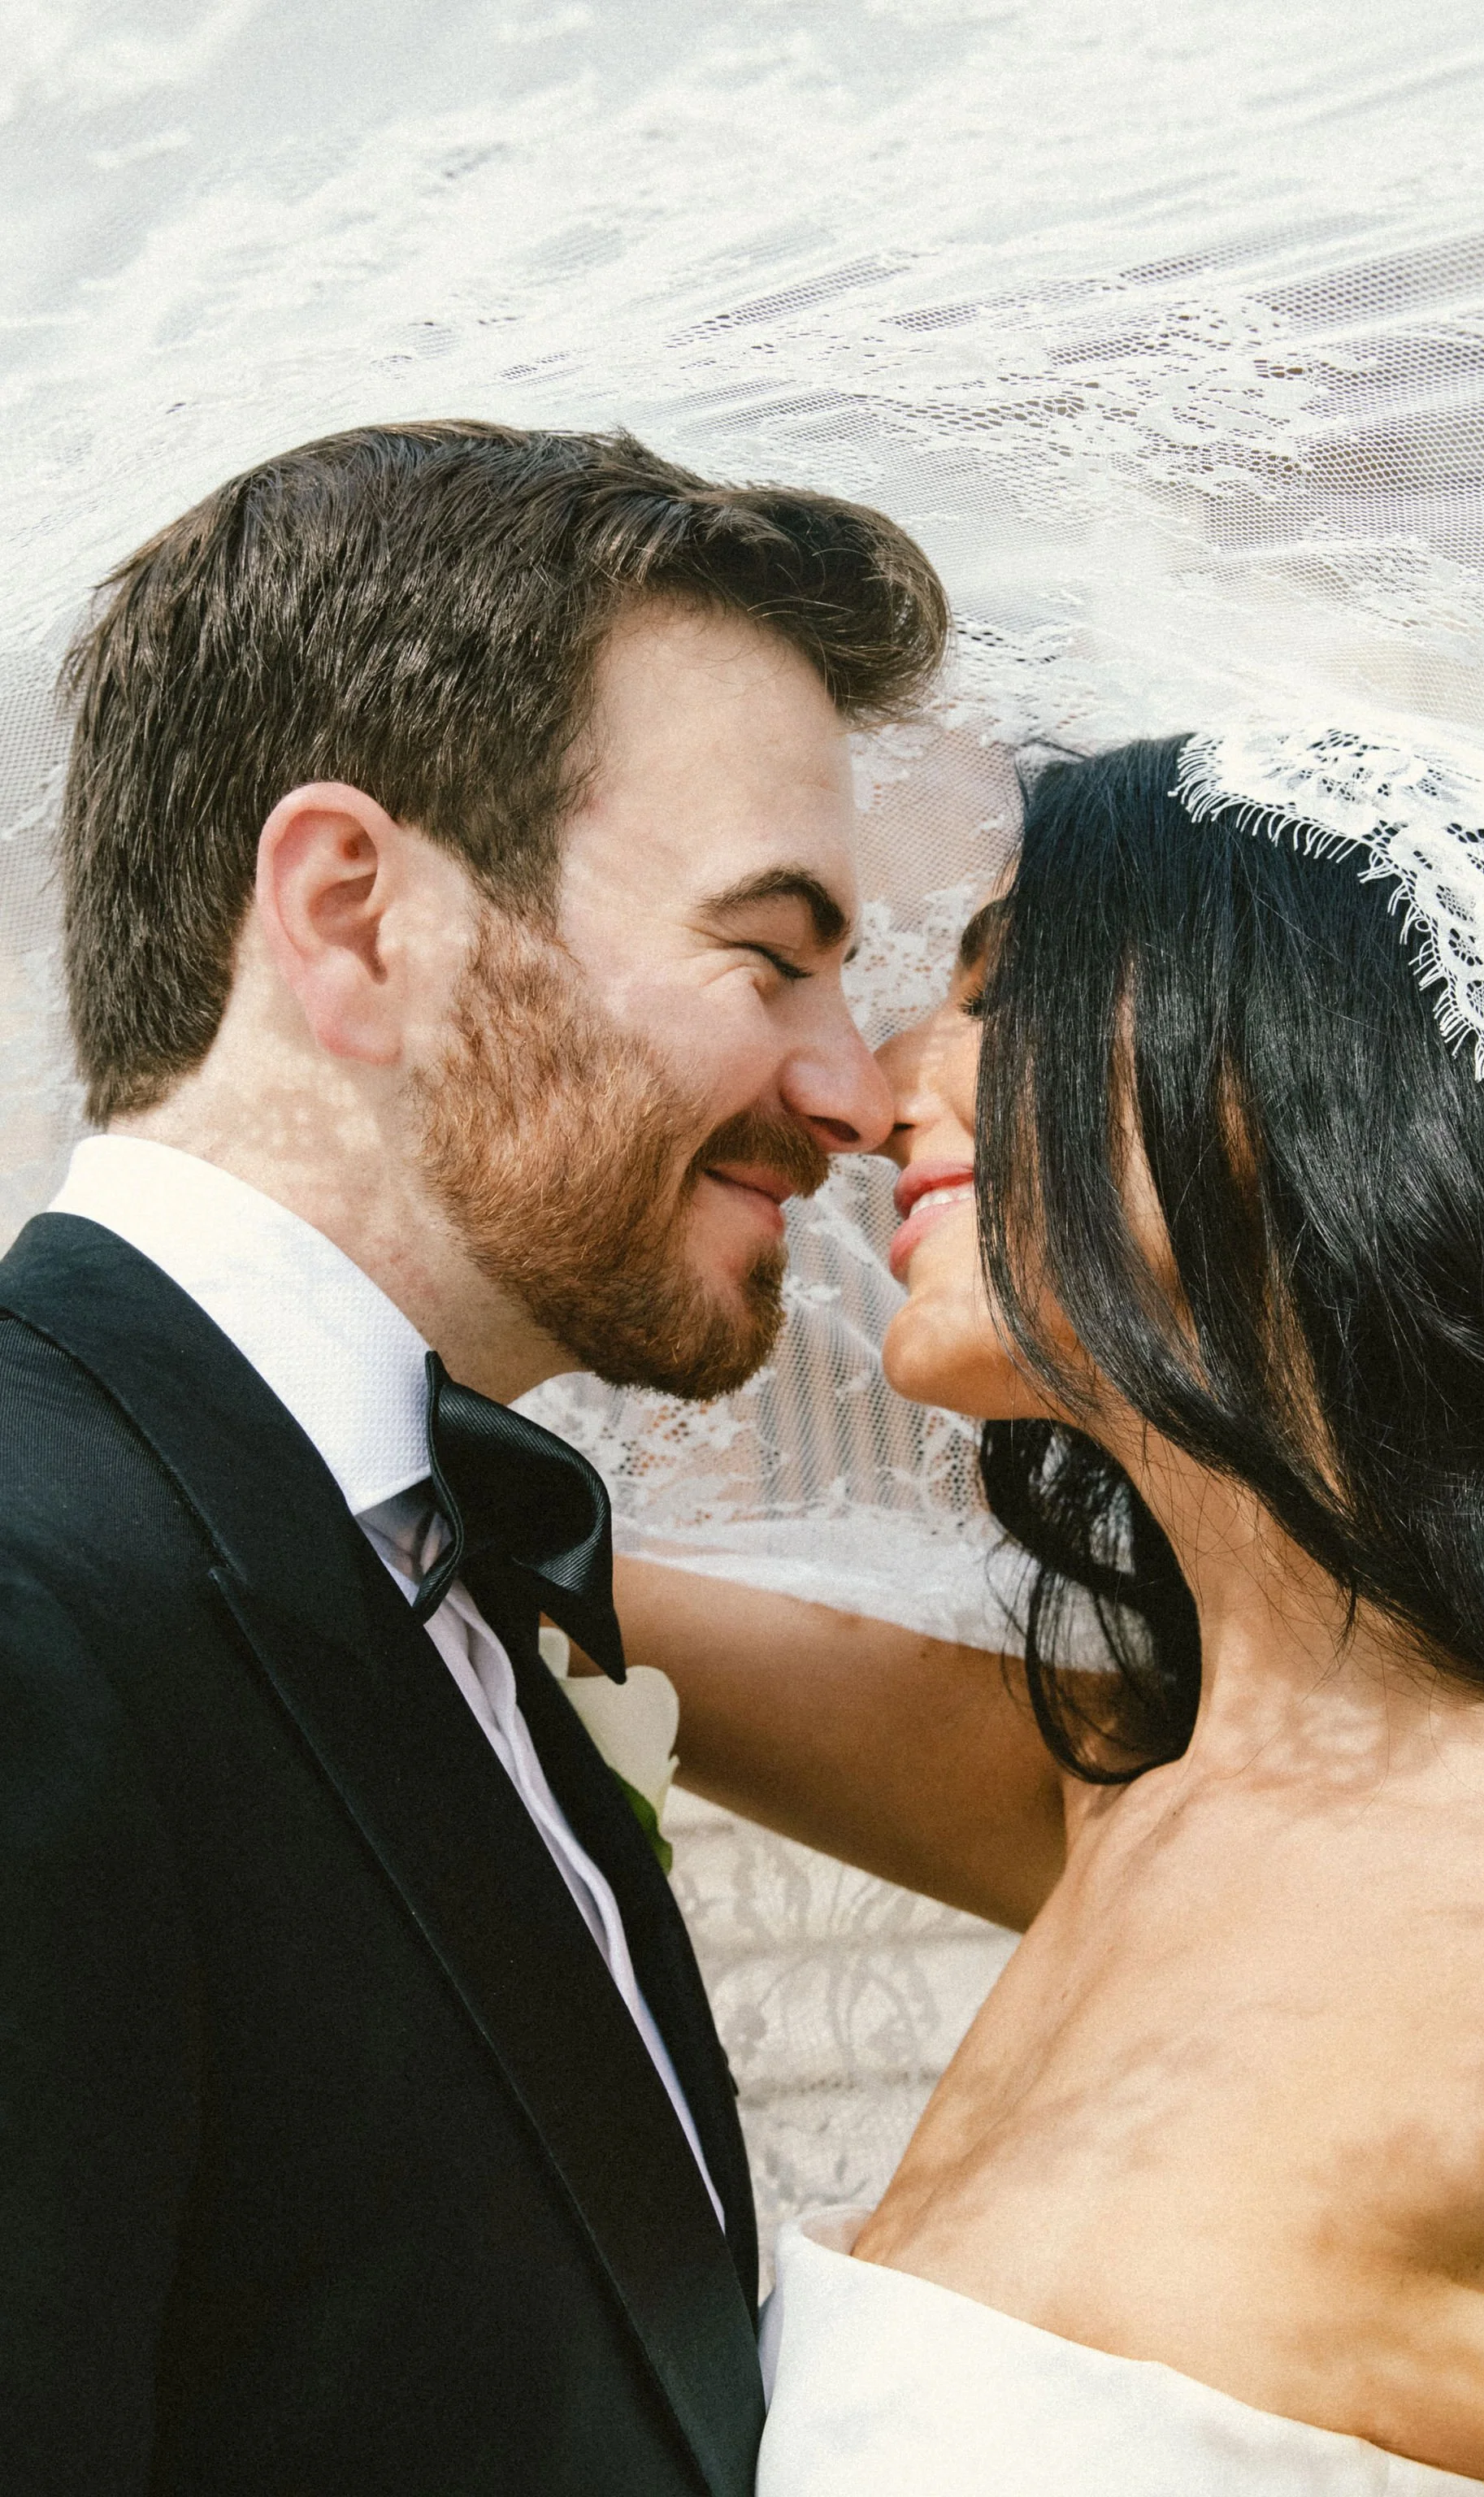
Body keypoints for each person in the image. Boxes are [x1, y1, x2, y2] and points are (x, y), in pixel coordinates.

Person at [0, 419, 951, 2497]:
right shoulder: (28, 1600)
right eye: (768, 950)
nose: (848, 1089)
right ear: (356, 917)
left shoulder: (434, 1565)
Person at [618, 733, 1484, 2495]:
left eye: (1001, 989)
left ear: (1295, 1061)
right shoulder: (1117, 1808)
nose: (881, 1097)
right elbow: (486, 1540)